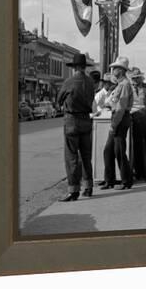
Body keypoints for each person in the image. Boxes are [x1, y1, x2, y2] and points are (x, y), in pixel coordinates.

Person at [56, 53, 95, 201]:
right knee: (86, 156)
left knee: (71, 157)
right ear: (84, 67)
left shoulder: (70, 81)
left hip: (72, 120)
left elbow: (59, 100)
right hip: (86, 119)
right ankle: (89, 186)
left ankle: (73, 190)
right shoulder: (90, 82)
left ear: (75, 67)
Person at [100, 56, 134, 190]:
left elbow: (120, 107)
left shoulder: (124, 84)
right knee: (108, 150)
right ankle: (110, 179)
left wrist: (113, 125)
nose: (113, 70)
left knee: (119, 150)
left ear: (121, 70)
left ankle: (126, 180)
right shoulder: (120, 84)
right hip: (118, 117)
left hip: (120, 118)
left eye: (115, 68)